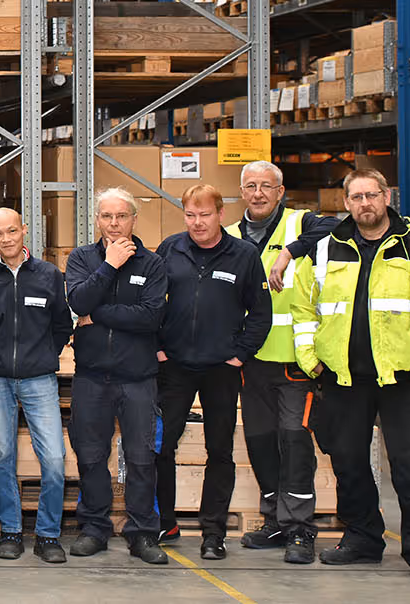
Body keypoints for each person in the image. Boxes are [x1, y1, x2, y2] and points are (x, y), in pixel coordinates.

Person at [291, 169, 410, 585]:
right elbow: (303, 310)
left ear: (386, 196)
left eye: (371, 195)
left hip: (409, 382)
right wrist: (310, 359)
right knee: (349, 463)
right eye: (356, 197)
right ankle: (363, 539)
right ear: (346, 202)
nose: (364, 204)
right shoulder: (324, 250)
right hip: (344, 380)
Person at [153, 185, 272, 559]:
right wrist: (157, 346)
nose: (197, 222)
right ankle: (165, 522)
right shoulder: (170, 249)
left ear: (221, 214)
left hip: (221, 368)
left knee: (219, 450)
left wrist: (239, 354)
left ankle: (213, 531)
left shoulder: (244, 255)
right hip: (174, 367)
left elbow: (261, 312)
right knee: (161, 447)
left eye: (205, 215)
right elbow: (152, 303)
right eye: (190, 214)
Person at [228, 160, 338, 562]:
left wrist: (290, 252)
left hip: (293, 360)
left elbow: (335, 227)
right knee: (260, 443)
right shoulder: (229, 236)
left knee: (294, 443)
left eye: (266, 187)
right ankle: (274, 519)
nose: (258, 193)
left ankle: (299, 529)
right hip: (249, 360)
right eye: (251, 186)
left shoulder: (301, 224)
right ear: (241, 192)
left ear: (280, 191)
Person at [64, 188, 169, 565]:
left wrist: (101, 314)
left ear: (133, 219)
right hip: (92, 377)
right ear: (97, 220)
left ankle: (142, 532)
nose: (113, 224)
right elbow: (78, 303)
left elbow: (151, 316)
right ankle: (94, 528)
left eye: (121, 216)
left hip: (137, 378)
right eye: (106, 216)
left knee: (141, 457)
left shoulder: (153, 264)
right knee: (91, 456)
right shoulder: (81, 258)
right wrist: (108, 265)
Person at [0, 208, 72, 564]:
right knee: (2, 457)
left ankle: (48, 535)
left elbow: (62, 325)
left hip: (39, 379)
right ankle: (10, 530)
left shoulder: (49, 275)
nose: (6, 238)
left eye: (12, 230)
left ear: (24, 230)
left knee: (54, 459)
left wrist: (43, 356)